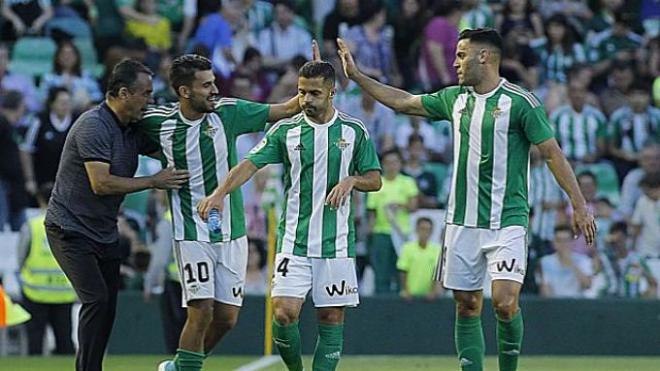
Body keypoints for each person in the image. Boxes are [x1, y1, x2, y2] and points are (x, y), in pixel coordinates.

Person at [337, 28, 596, 371]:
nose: (455, 63)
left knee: (504, 303)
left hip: (508, 219)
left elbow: (551, 153)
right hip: (461, 221)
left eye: (461, 55)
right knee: (466, 304)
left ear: (484, 57)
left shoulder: (520, 103)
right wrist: (356, 76)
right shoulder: (454, 99)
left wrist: (578, 205)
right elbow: (402, 101)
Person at [197, 60, 382, 371]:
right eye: (301, 92)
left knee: (331, 316)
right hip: (293, 241)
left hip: (335, 243)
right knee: (283, 313)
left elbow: (375, 179)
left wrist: (351, 180)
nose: (306, 100)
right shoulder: (286, 130)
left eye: (314, 93)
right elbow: (249, 165)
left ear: (332, 93)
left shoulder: (353, 131)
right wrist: (219, 194)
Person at [136, 53, 302, 371]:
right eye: (206, 85)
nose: (214, 90)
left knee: (226, 319)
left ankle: (180, 366)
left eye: (214, 83)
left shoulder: (229, 112)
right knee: (200, 309)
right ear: (184, 91)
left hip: (231, 230)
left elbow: (287, 109)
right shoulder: (158, 123)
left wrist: (308, 82)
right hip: (190, 230)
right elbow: (121, 130)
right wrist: (154, 178)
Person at [44, 59, 190, 371]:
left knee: (107, 307)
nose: (149, 100)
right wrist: (154, 181)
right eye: (145, 94)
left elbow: (166, 149)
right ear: (123, 93)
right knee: (96, 300)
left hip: (103, 231)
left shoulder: (130, 130)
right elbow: (101, 183)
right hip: (69, 229)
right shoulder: (93, 125)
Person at [18, 182, 76, 355]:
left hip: (35, 290)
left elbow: (21, 255)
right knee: (64, 340)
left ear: (39, 199)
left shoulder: (32, 225)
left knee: (35, 340)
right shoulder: (70, 224)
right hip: (63, 290)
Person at [367, 149, 419, 294]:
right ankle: (380, 304)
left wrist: (399, 205)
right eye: (387, 162)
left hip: (402, 233)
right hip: (381, 232)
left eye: (395, 162)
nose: (391, 166)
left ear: (400, 164)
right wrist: (370, 230)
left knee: (401, 271)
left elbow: (414, 206)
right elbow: (371, 211)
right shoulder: (377, 183)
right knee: (381, 272)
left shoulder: (407, 182)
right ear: (382, 164)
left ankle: (400, 303)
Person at [537, 225, 594, 298]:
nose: (563, 244)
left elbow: (587, 285)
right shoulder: (545, 262)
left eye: (566, 240)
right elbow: (545, 291)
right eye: (559, 240)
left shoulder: (583, 260)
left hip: (578, 303)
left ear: (572, 242)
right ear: (554, 243)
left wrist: (571, 263)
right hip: (554, 304)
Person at [397, 217, 443, 300]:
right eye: (422, 229)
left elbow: (437, 273)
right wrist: (405, 290)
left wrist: (433, 291)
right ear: (416, 230)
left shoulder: (437, 250)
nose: (424, 232)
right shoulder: (407, 248)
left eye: (428, 230)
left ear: (431, 232)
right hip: (410, 297)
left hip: (429, 298)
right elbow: (403, 270)